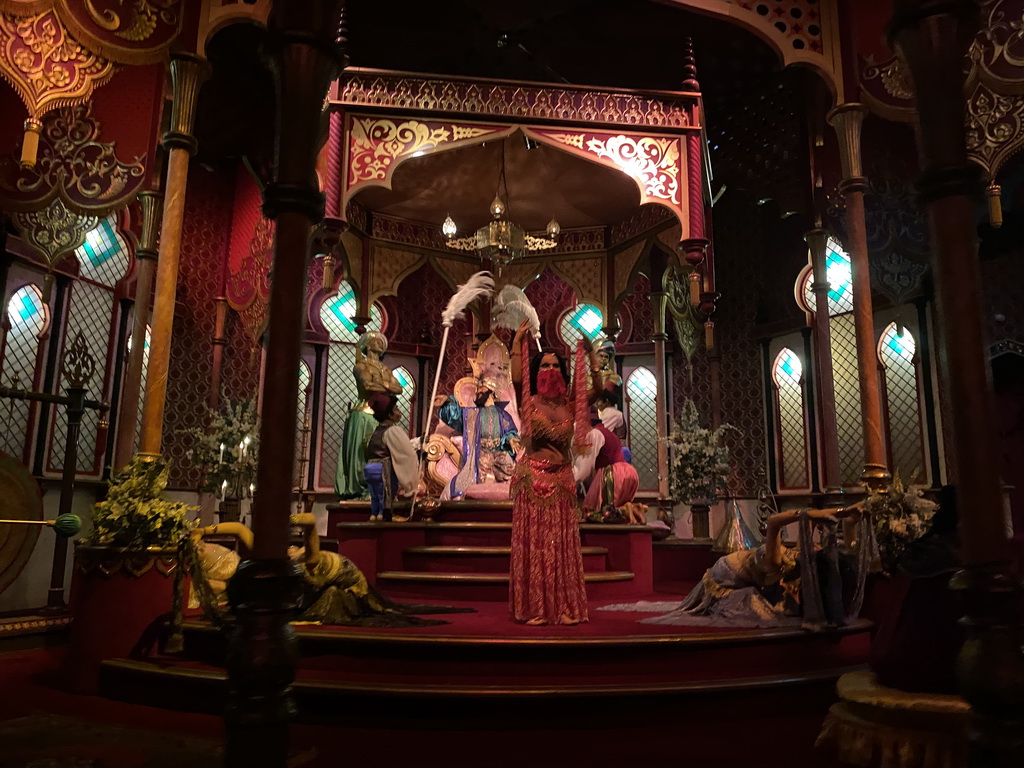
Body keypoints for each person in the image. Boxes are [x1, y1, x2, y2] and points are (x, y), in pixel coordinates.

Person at [602, 503, 871, 629]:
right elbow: (775, 521)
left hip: (742, 572)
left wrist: (849, 520)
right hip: (723, 575)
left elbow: (848, 551)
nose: (815, 548)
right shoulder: (776, 561)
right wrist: (823, 513)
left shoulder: (790, 566)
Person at [189, 513, 451, 627]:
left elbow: (309, 522)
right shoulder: (289, 562)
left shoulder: (295, 560)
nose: (290, 548)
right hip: (332, 574)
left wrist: (202, 531)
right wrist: (203, 531)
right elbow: (238, 529)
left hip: (345, 575)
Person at [508, 320, 603, 625]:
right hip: (533, 479)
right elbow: (516, 376)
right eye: (544, 365)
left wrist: (592, 356)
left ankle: (563, 606)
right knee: (536, 547)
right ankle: (535, 608)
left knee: (560, 547)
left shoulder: (570, 404)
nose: (549, 370)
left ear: (563, 372)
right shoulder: (529, 402)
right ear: (537, 372)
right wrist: (516, 341)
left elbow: (598, 389)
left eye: (554, 365)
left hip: (561, 480)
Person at [335, 331, 403, 499]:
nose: (380, 343)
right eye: (375, 340)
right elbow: (368, 385)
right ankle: (360, 488)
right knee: (361, 451)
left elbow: (399, 389)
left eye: (382, 341)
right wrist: (387, 385)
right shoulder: (361, 366)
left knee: (382, 450)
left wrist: (380, 384)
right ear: (366, 344)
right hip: (364, 411)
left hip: (384, 414)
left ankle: (380, 487)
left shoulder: (385, 369)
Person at [433, 377, 521, 500]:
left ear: (492, 392)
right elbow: (456, 415)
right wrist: (447, 401)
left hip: (500, 454)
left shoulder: (503, 415)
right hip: (479, 454)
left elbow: (509, 430)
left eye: (482, 388)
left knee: (518, 479)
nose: (478, 391)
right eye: (478, 389)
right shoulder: (471, 414)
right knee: (461, 483)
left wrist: (511, 439)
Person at [574, 413, 639, 521]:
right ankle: (631, 511)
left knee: (601, 513)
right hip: (628, 472)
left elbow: (584, 469)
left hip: (612, 474)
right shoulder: (609, 433)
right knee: (616, 513)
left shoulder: (594, 434)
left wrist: (566, 477)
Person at [364, 393, 419, 521]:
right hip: (383, 469)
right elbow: (406, 456)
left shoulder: (376, 431)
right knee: (385, 495)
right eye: (395, 408)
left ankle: (374, 514)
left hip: (370, 468)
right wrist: (411, 485)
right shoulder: (392, 431)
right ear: (389, 414)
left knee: (375, 495)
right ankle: (384, 514)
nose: (398, 412)